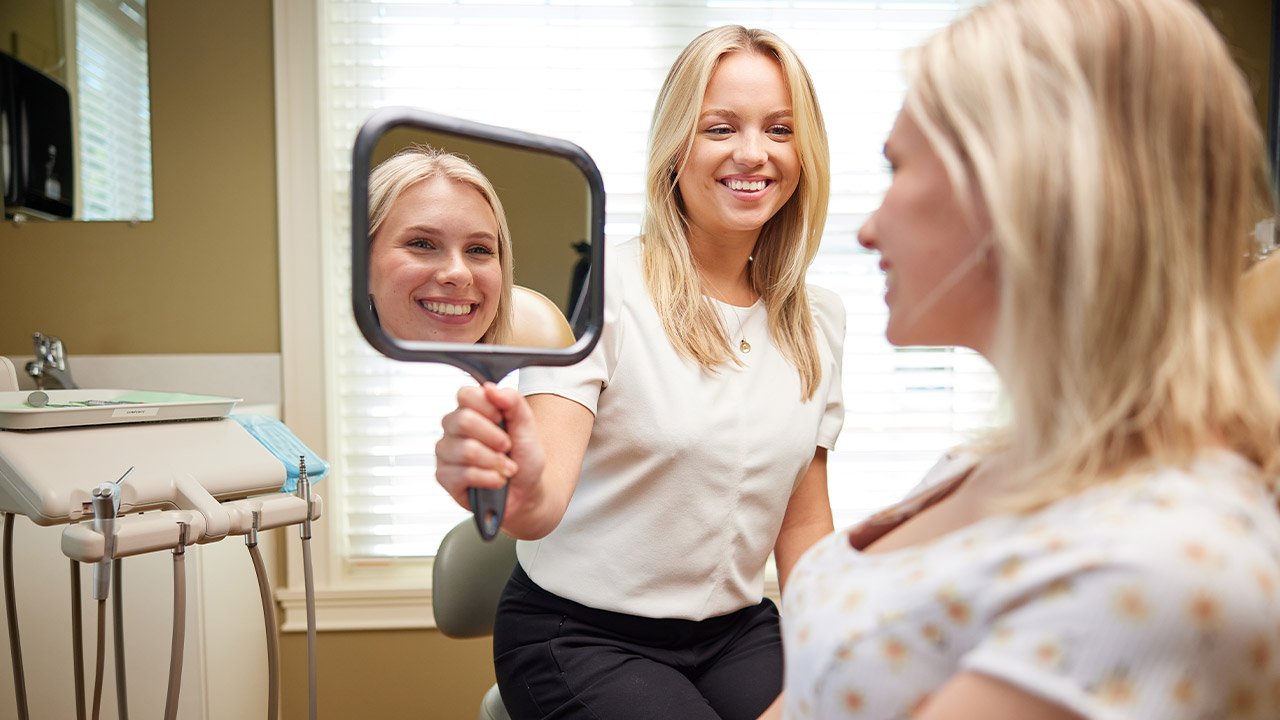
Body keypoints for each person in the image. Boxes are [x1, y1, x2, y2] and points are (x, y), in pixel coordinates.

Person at [769, 0, 1280, 718]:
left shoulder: (1154, 565)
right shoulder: (988, 462)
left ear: (1024, 189)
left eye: (898, 167)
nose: (868, 228)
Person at [435, 25, 845, 720]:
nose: (754, 152)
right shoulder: (606, 290)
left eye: (780, 129)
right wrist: (500, 476)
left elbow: (804, 527)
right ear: (676, 146)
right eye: (721, 128)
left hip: (735, 632)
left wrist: (838, 650)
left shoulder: (818, 321)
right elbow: (538, 506)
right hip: (580, 635)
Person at [368, 145, 514, 344]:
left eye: (478, 249)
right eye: (422, 244)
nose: (459, 274)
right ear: (360, 267)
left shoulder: (540, 375)